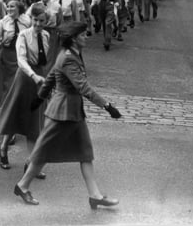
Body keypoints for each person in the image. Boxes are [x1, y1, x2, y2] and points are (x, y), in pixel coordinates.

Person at [13, 21, 121, 207]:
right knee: (43, 152)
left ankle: (95, 195)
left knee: (85, 153)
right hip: (61, 113)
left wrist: (39, 98)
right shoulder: (68, 57)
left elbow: (51, 78)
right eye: (83, 34)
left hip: (73, 113)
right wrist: (107, 106)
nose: (86, 37)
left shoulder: (68, 54)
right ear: (73, 38)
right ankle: (22, 186)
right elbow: (82, 86)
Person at [0, 3, 49, 174]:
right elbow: (22, 60)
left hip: (39, 78)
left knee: (35, 121)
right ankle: (3, 148)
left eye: (41, 21)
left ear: (46, 21)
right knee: (15, 116)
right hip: (25, 78)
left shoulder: (46, 35)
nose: (38, 24)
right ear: (31, 18)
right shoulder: (24, 35)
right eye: (35, 20)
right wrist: (34, 76)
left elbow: (46, 59)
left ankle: (32, 163)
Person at [0, 0, 31, 105]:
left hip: (21, 56)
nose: (9, 9)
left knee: (19, 84)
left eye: (12, 6)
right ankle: (4, 107)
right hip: (6, 56)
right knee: (4, 84)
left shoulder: (27, 20)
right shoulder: (3, 22)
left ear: (19, 8)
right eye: (8, 6)